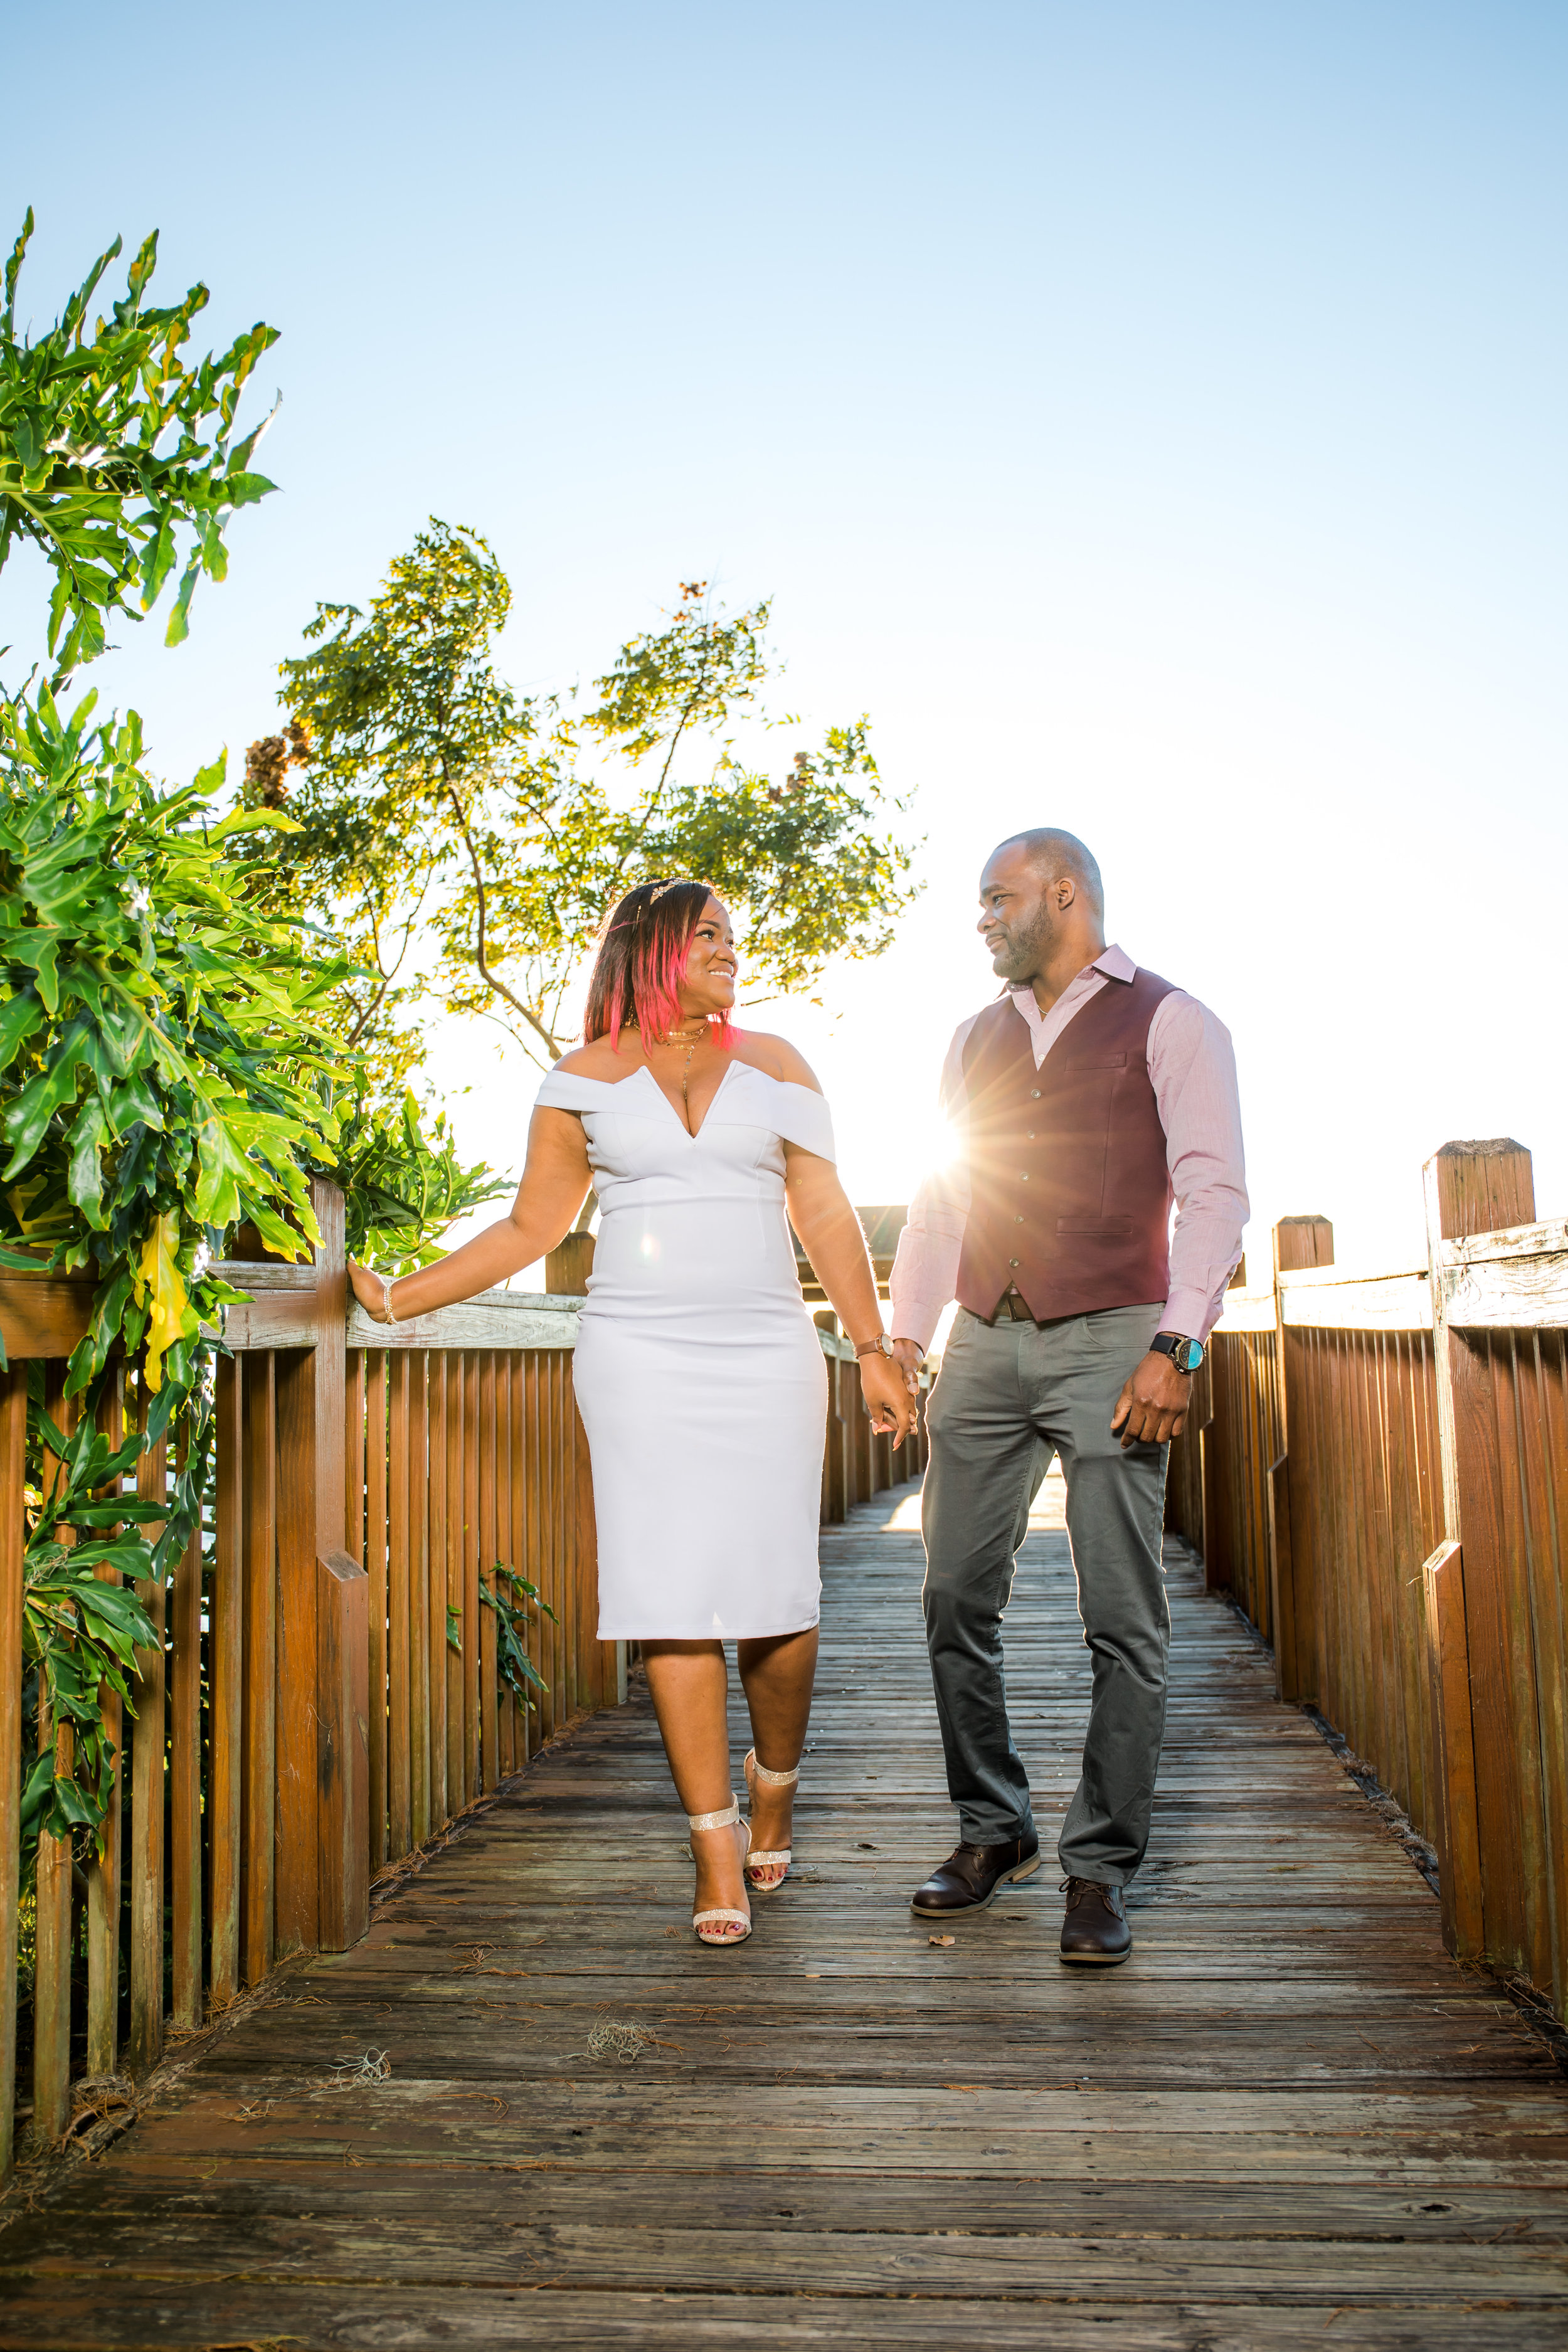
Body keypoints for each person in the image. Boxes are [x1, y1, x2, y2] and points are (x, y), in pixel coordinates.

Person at [350, 879, 916, 1947]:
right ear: (652, 946)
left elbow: (826, 1212)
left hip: (764, 1351)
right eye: (709, 934)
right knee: (670, 1598)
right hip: (638, 1357)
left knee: (782, 1597)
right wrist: (396, 1295)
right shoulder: (579, 1079)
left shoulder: (782, 1063)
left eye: (735, 936)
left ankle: (775, 1780)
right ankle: (714, 1840)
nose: (731, 951)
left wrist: (876, 1347)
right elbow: (530, 1227)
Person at [888, 830, 1246, 1965]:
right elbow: (944, 1198)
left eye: (997, 899)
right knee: (951, 1596)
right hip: (985, 1341)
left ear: (1063, 893)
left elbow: (1215, 1193)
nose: (984, 919)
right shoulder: (971, 1039)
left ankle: (1100, 1867)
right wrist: (902, 1335)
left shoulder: (1174, 1020)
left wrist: (1176, 1346)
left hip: (1115, 1340)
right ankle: (995, 1830)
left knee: (1123, 1618)